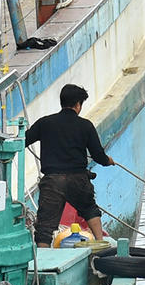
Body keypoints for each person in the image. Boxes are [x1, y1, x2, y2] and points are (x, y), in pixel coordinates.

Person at [25, 84, 115, 245]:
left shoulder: (45, 123)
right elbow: (98, 156)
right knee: (90, 209)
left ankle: (43, 257)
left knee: (45, 225)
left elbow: (23, 140)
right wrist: (108, 161)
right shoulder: (85, 125)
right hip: (78, 179)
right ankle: (100, 243)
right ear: (78, 104)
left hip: (52, 180)